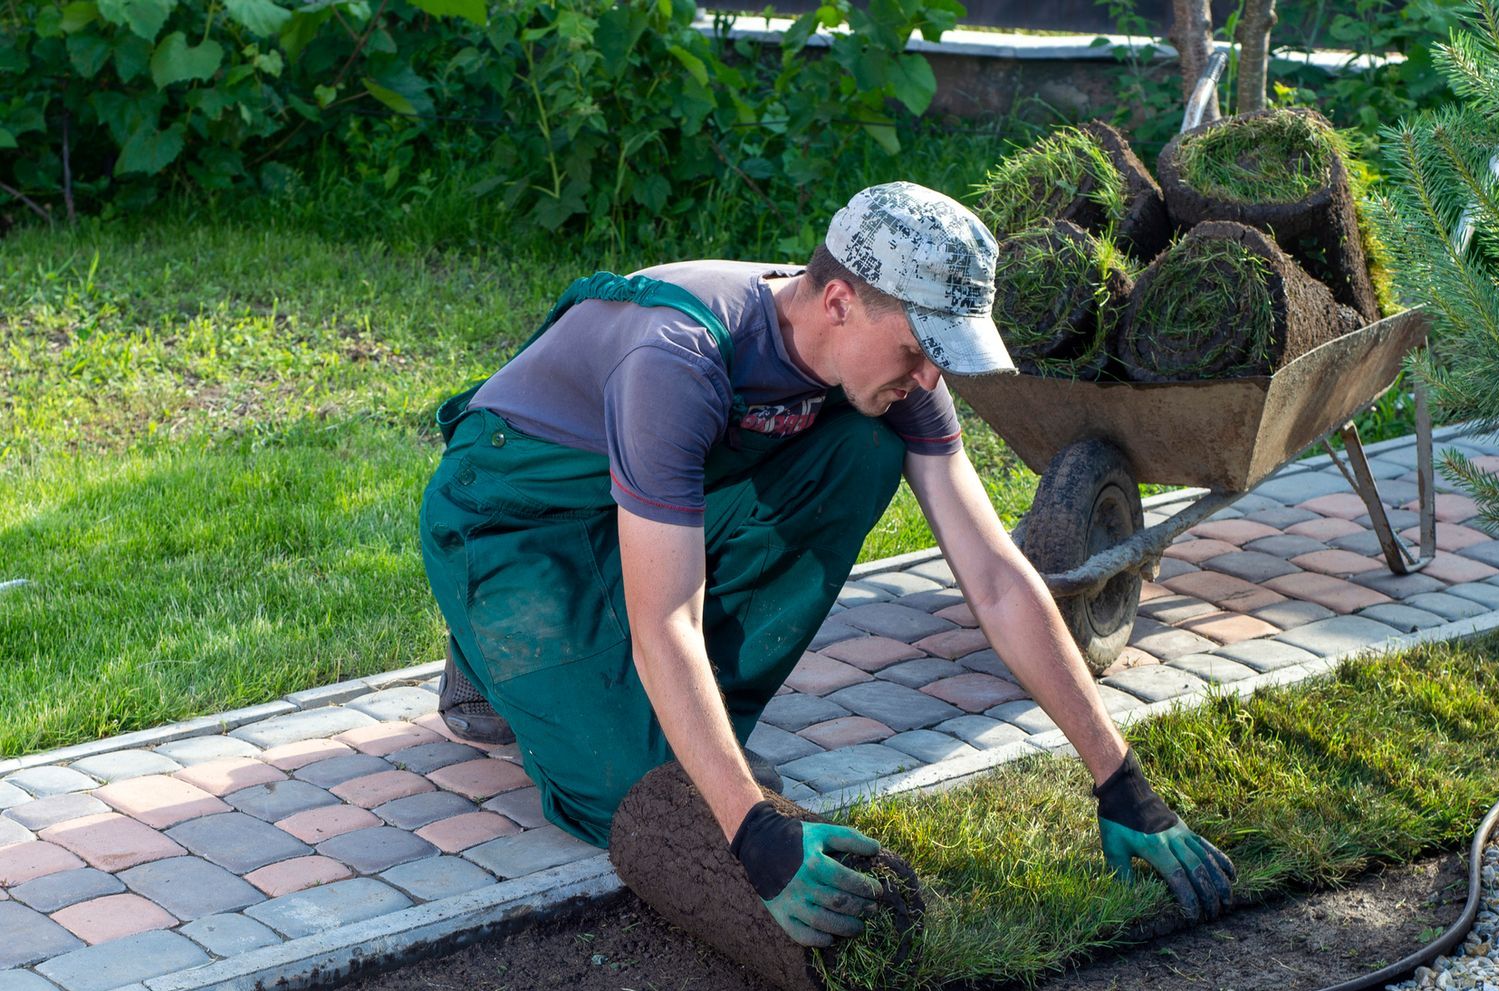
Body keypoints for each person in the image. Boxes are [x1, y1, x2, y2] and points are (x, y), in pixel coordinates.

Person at [418, 182, 1233, 947]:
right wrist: (753, 833)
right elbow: (667, 621)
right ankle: (490, 655)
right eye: (919, 348)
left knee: (863, 447)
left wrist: (1119, 779)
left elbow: (993, 575)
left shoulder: (889, 364)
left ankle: (643, 703)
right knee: (629, 793)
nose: (930, 376)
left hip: (640, 513)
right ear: (840, 301)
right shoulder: (678, 356)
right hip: (516, 522)